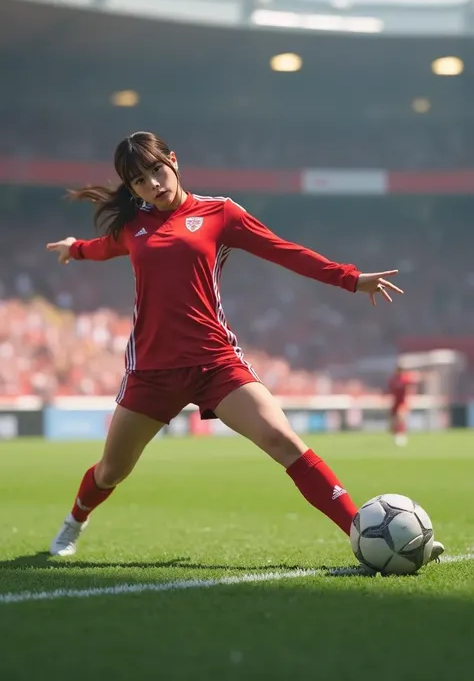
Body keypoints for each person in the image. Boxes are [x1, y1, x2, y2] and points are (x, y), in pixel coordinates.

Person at [46, 131, 444, 564]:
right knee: (111, 471)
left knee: (284, 440)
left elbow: (284, 251)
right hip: (152, 371)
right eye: (140, 181)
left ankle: (370, 535)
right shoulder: (133, 226)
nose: (154, 184)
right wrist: (76, 249)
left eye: (157, 170)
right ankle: (75, 521)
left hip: (215, 362)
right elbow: (103, 247)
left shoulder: (220, 213)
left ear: (174, 161)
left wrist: (350, 277)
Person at [388, 364, 416, 447]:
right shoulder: (393, 380)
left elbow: (413, 383)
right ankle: (396, 435)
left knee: (401, 419)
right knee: (393, 424)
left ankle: (401, 436)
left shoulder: (405, 379)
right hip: (395, 403)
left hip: (402, 403)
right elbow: (390, 391)